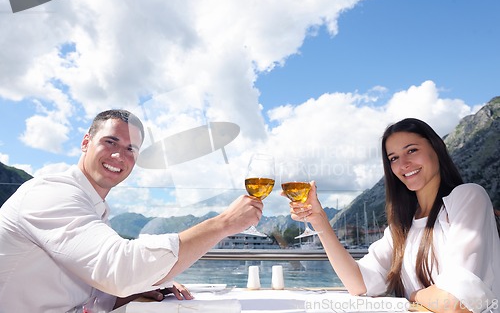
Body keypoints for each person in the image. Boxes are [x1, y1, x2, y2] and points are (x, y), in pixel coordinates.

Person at [0, 109, 263, 313]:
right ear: (85, 142)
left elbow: (93, 288)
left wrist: (136, 289)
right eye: (110, 142)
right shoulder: (50, 194)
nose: (119, 156)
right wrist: (224, 223)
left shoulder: (93, 207)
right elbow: (119, 269)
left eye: (130, 149)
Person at [289, 118, 499, 313]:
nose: (403, 164)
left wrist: (414, 295)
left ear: (437, 148)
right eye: (394, 158)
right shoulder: (402, 226)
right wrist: (320, 221)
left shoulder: (468, 196)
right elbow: (358, 284)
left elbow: (455, 302)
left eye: (412, 150)